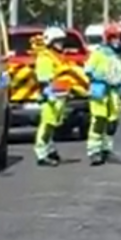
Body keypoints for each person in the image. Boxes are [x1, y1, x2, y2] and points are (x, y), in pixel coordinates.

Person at [83, 22, 121, 165]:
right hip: (100, 91)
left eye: (120, 37)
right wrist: (99, 76)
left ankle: (107, 150)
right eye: (114, 37)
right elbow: (88, 70)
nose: (117, 40)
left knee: (112, 122)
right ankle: (94, 151)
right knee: (99, 121)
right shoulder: (99, 52)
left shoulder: (120, 55)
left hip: (114, 91)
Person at [31, 25, 73, 167]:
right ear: (50, 42)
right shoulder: (45, 58)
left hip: (60, 97)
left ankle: (50, 150)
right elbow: (44, 79)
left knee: (53, 125)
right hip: (51, 98)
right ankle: (41, 153)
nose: (60, 44)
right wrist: (50, 96)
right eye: (57, 41)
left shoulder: (59, 57)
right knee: (47, 124)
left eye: (61, 41)